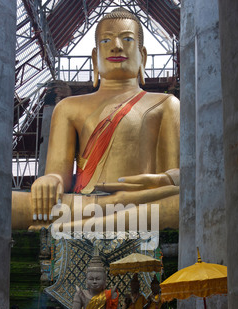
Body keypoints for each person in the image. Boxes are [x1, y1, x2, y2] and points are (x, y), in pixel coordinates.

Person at [11, 8, 180, 234]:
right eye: (106, 40)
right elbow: (59, 177)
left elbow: (174, 176)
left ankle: (79, 224)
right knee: (7, 204)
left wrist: (167, 180)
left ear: (143, 56)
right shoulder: (68, 107)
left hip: (142, 200)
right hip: (87, 202)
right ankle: (103, 218)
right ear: (94, 57)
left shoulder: (166, 103)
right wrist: (49, 181)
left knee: (181, 203)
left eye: (127, 39)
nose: (116, 46)